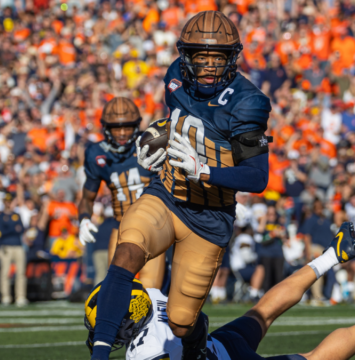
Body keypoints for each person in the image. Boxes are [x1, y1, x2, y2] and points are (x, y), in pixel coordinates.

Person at [91, 11, 271, 360]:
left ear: (232, 58)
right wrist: (157, 137)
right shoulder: (175, 76)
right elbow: (179, 121)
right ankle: (99, 354)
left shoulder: (248, 102)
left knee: (181, 322)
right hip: (168, 195)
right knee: (127, 251)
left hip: (210, 216)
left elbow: (257, 177)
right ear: (185, 56)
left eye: (216, 58)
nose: (207, 66)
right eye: (199, 57)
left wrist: (204, 170)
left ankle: (197, 343)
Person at [85, 222, 355, 360]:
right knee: (262, 311)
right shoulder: (153, 296)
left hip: (224, 355)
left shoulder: (141, 354)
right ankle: (330, 256)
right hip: (222, 343)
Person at [77, 97, 159, 286]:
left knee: (152, 291)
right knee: (117, 287)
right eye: (116, 128)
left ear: (137, 126)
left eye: (128, 127)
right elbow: (88, 197)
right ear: (106, 128)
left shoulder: (152, 145)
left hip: (155, 227)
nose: (122, 133)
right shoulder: (97, 153)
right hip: (121, 226)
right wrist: (84, 218)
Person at [0, 195, 27, 306]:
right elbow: (2, 231)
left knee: (21, 272)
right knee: (5, 272)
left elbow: (21, 229)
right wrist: (13, 229)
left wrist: (10, 229)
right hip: (6, 246)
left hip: (18, 246)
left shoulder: (16, 215)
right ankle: (5, 296)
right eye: (6, 201)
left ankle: (20, 296)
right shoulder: (0, 216)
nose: (8, 203)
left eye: (10, 201)